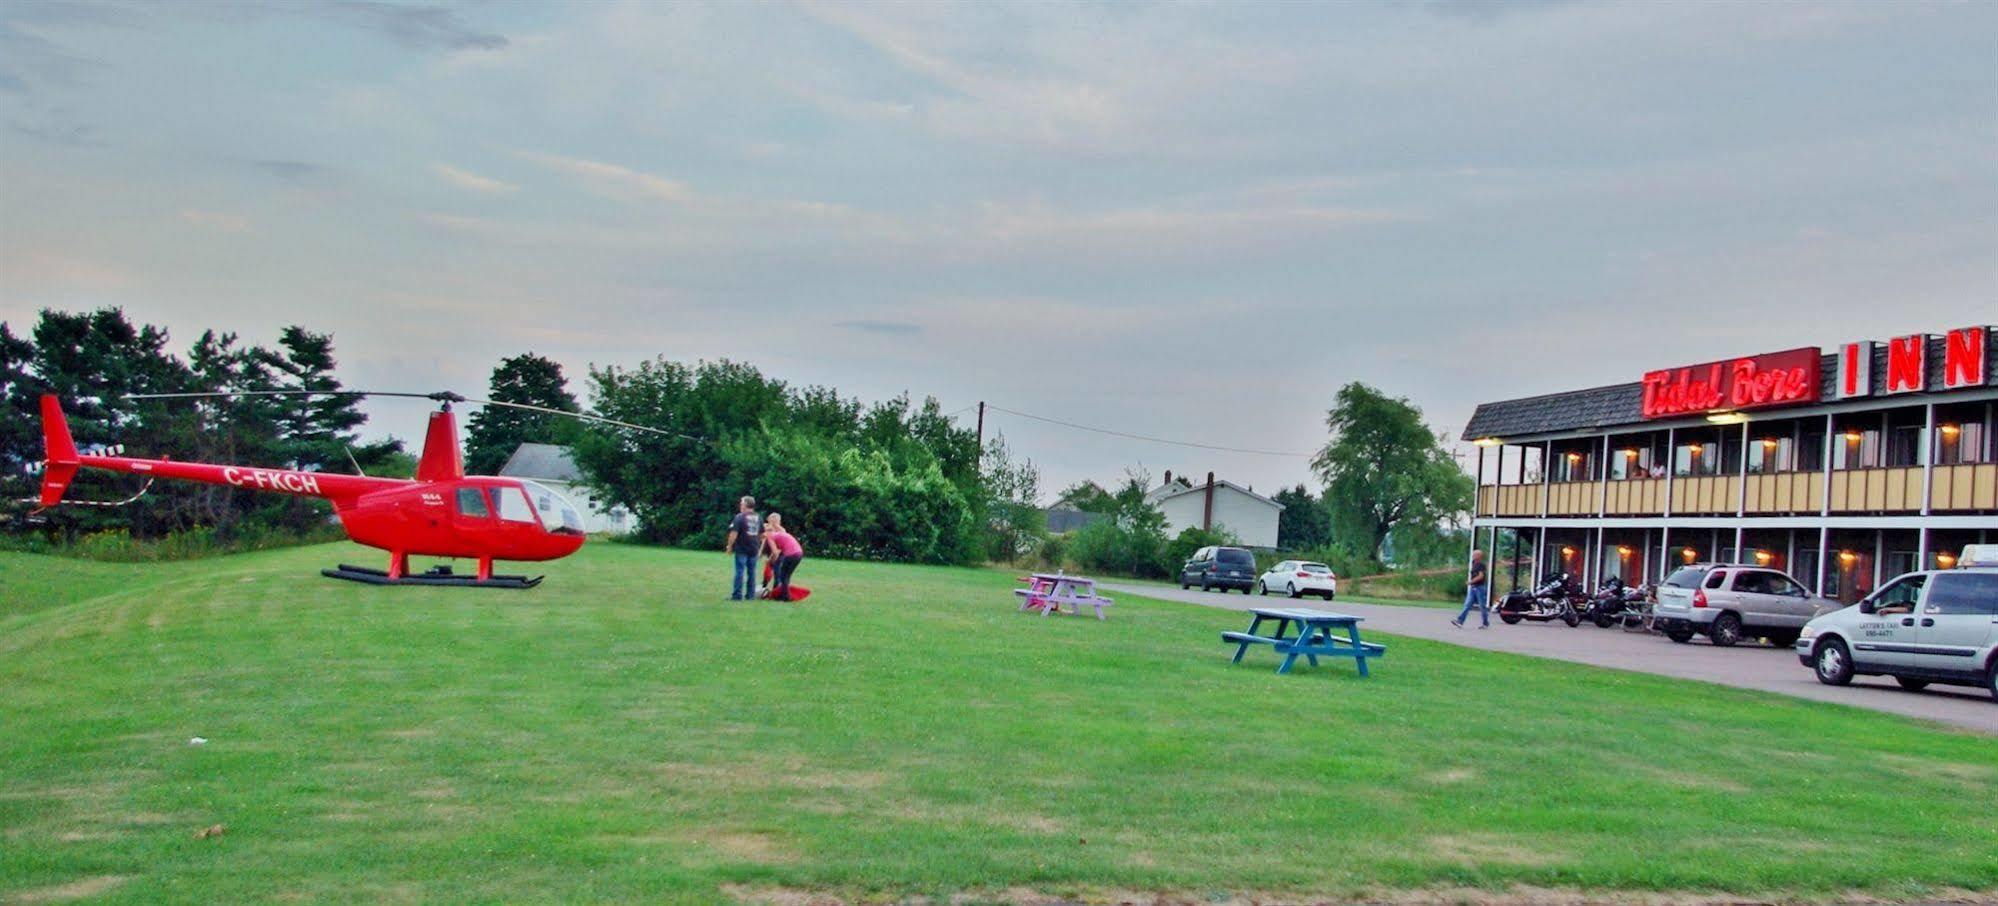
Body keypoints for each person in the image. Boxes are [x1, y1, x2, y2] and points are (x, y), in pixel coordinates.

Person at [723, 496, 762, 600]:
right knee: (752, 573)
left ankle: (737, 595)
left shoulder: (739, 517)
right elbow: (761, 534)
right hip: (754, 548)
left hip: (742, 548)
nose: (740, 504)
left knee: (740, 572)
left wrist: (729, 546)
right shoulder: (758, 517)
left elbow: (733, 533)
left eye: (741, 503)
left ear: (746, 504)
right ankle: (750, 596)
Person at [761, 513, 805, 601]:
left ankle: (784, 597)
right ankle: (783, 594)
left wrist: (769, 561)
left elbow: (775, 552)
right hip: (798, 552)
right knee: (785, 576)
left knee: (782, 576)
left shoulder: (772, 535)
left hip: (790, 554)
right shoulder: (776, 533)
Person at [1452, 549, 1490, 629]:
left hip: (1480, 588)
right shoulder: (1474, 564)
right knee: (1467, 605)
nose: (1473, 556)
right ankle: (1460, 621)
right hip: (1473, 588)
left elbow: (1481, 576)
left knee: (1482, 606)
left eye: (1475, 555)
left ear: (1479, 556)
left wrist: (1470, 582)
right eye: (1473, 554)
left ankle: (1485, 623)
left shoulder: (1481, 565)